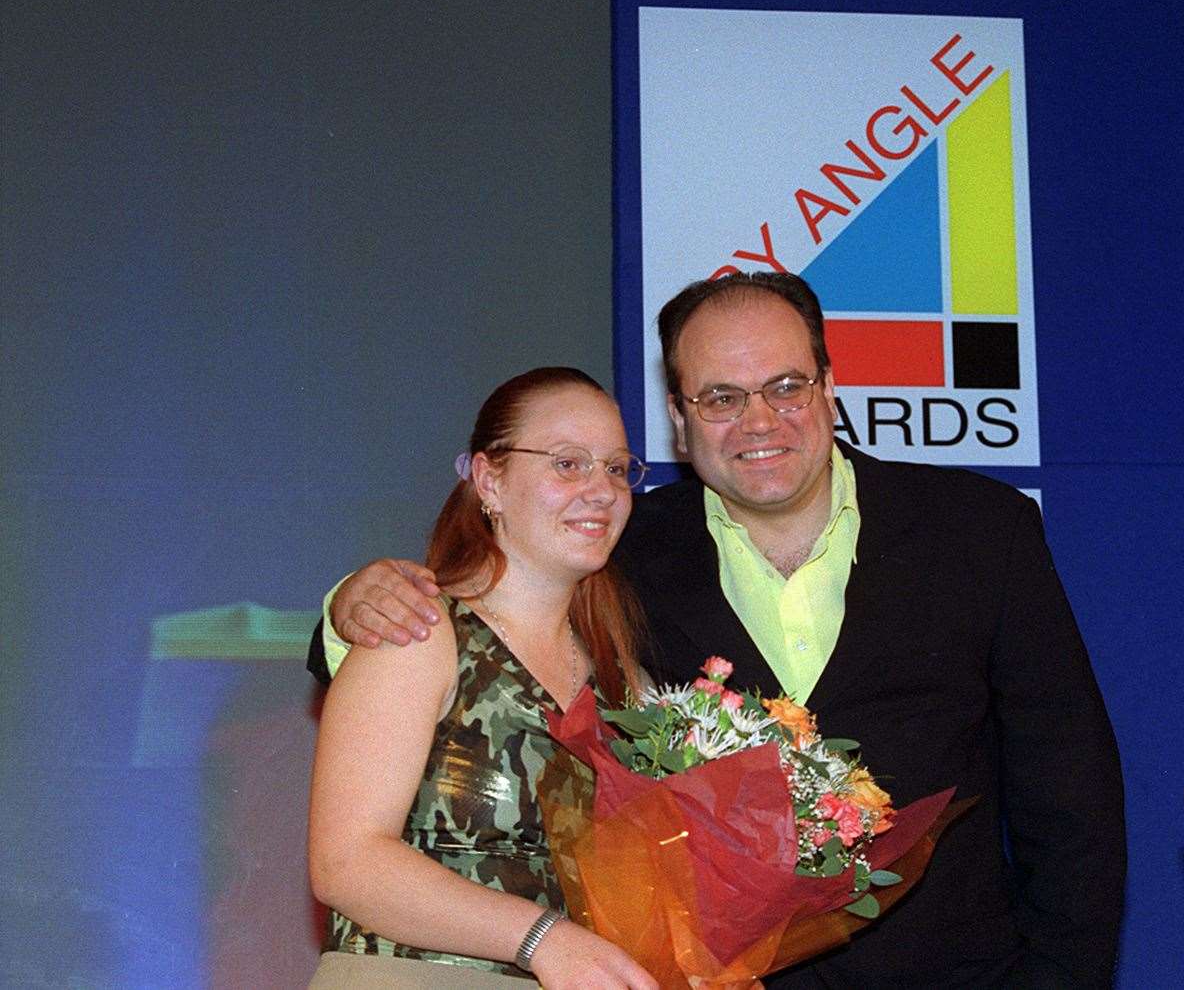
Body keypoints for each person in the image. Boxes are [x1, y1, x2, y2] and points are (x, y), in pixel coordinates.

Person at [313, 273, 1127, 987]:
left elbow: (1070, 788)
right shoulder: (616, 552)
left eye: (784, 386)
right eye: (720, 397)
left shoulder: (979, 530)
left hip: (959, 976)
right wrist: (355, 597)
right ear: (680, 414)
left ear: (828, 386)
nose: (758, 420)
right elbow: (449, 636)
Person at [306, 367, 659, 989]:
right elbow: (346, 864)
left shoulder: (623, 680)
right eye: (568, 464)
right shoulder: (418, 633)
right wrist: (541, 940)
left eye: (616, 467)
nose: (601, 490)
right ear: (489, 480)